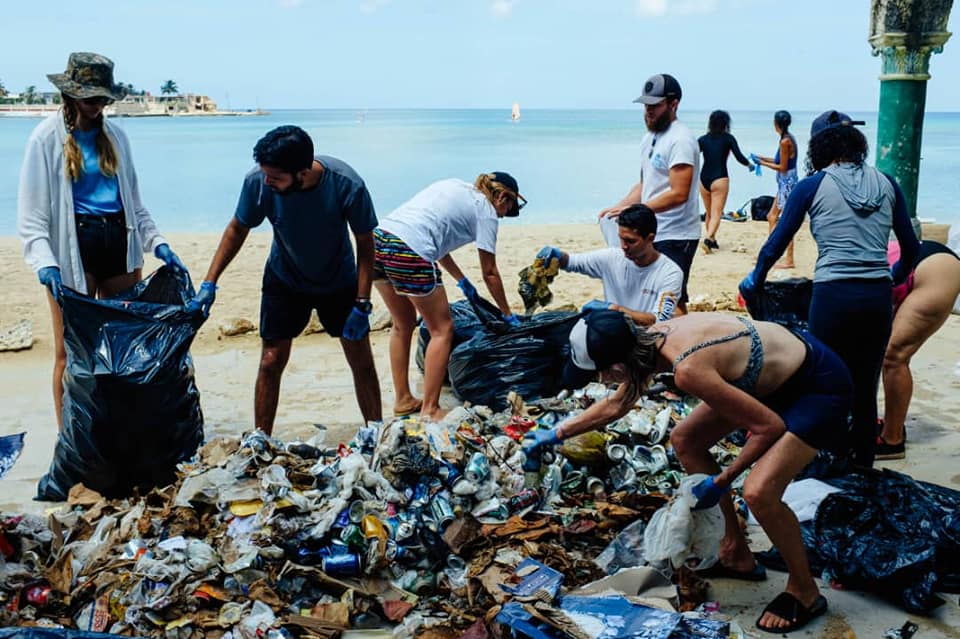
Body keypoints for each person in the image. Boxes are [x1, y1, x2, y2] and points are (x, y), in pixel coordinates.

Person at [522, 310, 852, 633]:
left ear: (618, 367)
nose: (601, 382)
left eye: (600, 375)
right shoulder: (650, 340)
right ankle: (735, 550)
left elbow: (768, 427)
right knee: (686, 440)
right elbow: (614, 404)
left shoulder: (687, 368)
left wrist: (720, 482)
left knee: (759, 493)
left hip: (817, 386)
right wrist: (557, 434)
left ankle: (804, 591)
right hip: (767, 382)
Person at [740, 110, 920, 467]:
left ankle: (823, 463)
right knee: (865, 387)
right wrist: (892, 277)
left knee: (822, 381)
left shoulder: (812, 185)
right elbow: (911, 248)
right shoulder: (887, 183)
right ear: (856, 143)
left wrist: (755, 280)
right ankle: (862, 470)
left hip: (832, 297)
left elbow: (776, 243)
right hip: (876, 300)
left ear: (819, 145)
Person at [18, 52, 185, 430]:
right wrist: (46, 264)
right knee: (71, 354)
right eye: (91, 99)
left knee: (124, 349)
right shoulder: (46, 139)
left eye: (103, 100)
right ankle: (70, 440)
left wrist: (157, 243)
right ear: (72, 96)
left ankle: (116, 430)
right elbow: (32, 219)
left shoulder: (117, 138)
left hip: (118, 249)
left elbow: (135, 205)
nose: (98, 107)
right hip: (73, 250)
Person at [187, 125, 382, 435]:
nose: (267, 182)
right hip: (284, 277)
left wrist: (362, 302)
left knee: (361, 359)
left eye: (275, 177)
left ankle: (376, 431)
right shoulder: (258, 181)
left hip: (339, 280)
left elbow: (366, 246)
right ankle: (261, 439)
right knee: (270, 360)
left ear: (302, 172)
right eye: (265, 174)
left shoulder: (347, 184)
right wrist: (210, 282)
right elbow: (237, 228)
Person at [373, 173, 524, 422]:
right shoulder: (486, 211)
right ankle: (430, 409)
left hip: (379, 241)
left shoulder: (454, 186)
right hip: (411, 249)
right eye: (507, 209)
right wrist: (507, 314)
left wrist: (461, 280)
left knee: (403, 323)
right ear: (501, 197)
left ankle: (403, 399)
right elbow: (490, 272)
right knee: (442, 330)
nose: (502, 216)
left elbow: (439, 244)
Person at [599, 73, 700, 313]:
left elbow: (679, 193)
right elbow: (645, 184)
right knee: (649, 294)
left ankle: (682, 348)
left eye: (655, 105)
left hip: (677, 234)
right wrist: (620, 208)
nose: (648, 111)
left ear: (673, 104)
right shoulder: (650, 138)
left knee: (672, 301)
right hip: (651, 230)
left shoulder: (681, 140)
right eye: (646, 105)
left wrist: (639, 210)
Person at [877, 240, 960, 459]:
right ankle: (886, 424)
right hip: (914, 259)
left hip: (934, 269)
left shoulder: (837, 289)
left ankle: (892, 440)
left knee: (893, 356)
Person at [537, 204, 682, 327]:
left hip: (648, 339)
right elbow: (572, 262)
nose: (624, 246)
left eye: (630, 241)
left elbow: (660, 320)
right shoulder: (612, 257)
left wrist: (615, 309)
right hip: (611, 333)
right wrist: (556, 255)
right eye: (621, 239)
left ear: (650, 238)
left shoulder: (670, 272)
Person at [697, 110, 754, 253]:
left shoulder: (702, 139)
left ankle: (713, 240)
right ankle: (708, 239)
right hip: (720, 178)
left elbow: (691, 155)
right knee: (717, 213)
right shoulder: (728, 138)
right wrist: (750, 165)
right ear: (726, 123)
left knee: (709, 212)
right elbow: (739, 157)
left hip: (703, 179)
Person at [752, 111, 799, 269]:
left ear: (776, 124)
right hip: (784, 184)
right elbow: (780, 160)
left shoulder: (785, 141)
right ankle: (771, 253)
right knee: (772, 217)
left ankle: (789, 259)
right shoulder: (787, 138)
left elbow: (782, 167)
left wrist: (763, 164)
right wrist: (761, 158)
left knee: (786, 221)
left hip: (787, 185)